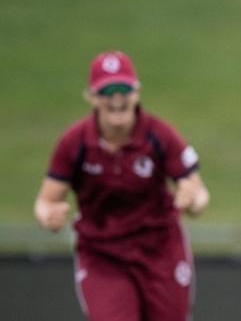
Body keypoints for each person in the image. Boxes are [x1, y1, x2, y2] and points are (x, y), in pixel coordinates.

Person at [34, 51, 210, 321]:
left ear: (136, 93)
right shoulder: (75, 142)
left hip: (160, 249)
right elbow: (46, 200)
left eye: (123, 89)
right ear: (92, 97)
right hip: (102, 255)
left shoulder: (159, 135)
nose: (117, 98)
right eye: (108, 91)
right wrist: (49, 216)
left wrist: (192, 198)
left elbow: (197, 193)